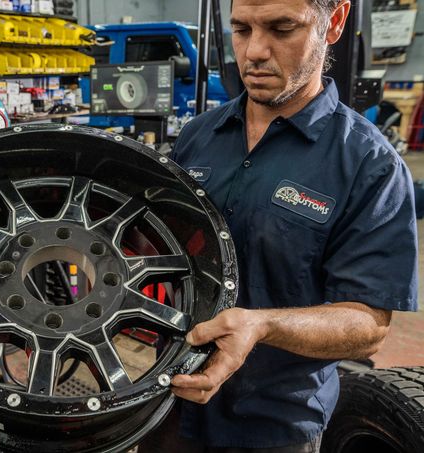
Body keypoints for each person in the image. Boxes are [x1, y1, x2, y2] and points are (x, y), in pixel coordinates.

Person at [149, 0, 418, 451]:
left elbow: (369, 325)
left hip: (274, 427)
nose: (254, 51)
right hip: (169, 408)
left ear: (332, 23)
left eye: (281, 28)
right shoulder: (198, 136)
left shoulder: (368, 165)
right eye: (241, 29)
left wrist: (263, 325)